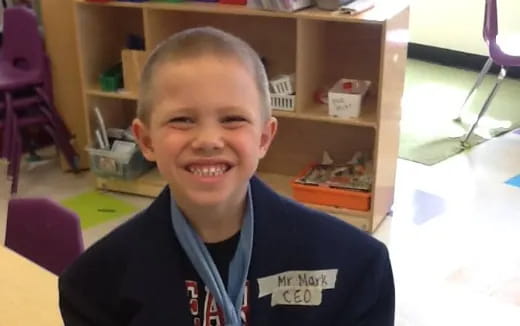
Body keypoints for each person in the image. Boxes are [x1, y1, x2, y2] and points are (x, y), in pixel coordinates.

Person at [58, 27, 394, 326]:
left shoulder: (356, 266)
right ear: (146, 141)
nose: (208, 140)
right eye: (182, 120)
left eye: (233, 119)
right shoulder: (93, 285)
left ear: (264, 137)